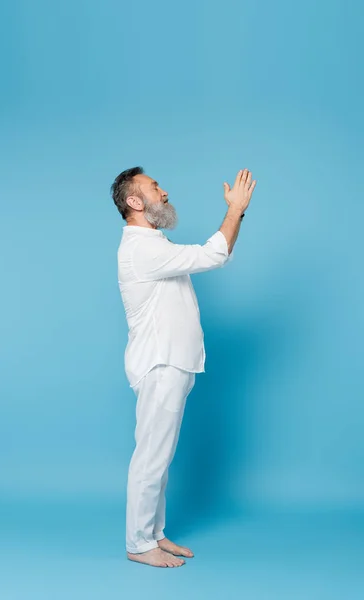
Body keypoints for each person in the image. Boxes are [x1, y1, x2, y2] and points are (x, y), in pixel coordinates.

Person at [111, 167, 257, 568]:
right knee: (152, 456)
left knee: (161, 454)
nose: (164, 191)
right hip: (160, 365)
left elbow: (215, 255)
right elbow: (215, 253)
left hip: (173, 364)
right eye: (154, 187)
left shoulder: (154, 243)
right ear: (135, 202)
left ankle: (154, 534)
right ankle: (139, 544)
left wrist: (236, 216)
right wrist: (236, 210)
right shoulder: (142, 248)